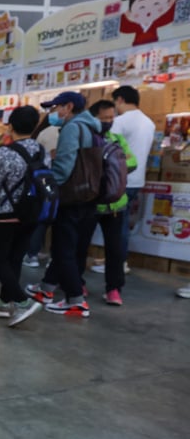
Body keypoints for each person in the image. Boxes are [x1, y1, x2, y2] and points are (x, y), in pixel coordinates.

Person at [25, 91, 100, 317]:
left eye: (57, 107)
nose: (53, 113)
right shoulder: (92, 127)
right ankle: (47, 289)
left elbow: (64, 167)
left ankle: (76, 300)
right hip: (88, 195)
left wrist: (49, 189)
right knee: (67, 247)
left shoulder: (72, 128)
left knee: (63, 248)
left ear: (68, 107)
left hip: (71, 196)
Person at [0, 105, 44, 327]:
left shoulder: (6, 153)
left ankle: (22, 301)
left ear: (11, 125)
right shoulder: (40, 150)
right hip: (32, 213)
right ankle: (5, 302)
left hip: (7, 213)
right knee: (14, 258)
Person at [88, 99, 137, 306]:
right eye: (104, 118)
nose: (108, 121)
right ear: (93, 119)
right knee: (80, 247)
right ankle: (76, 284)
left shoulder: (117, 139)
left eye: (111, 117)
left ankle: (114, 289)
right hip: (89, 203)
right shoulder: (86, 139)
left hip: (115, 203)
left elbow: (132, 161)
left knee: (115, 250)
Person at [110, 84, 157, 272]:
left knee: (115, 224)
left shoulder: (120, 121)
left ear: (120, 99)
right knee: (123, 222)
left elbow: (110, 149)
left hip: (119, 180)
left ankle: (117, 263)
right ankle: (119, 261)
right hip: (137, 180)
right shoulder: (149, 122)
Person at [23, 114, 59, 268]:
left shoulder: (44, 133)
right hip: (65, 183)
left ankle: (32, 254)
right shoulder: (72, 131)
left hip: (43, 182)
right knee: (59, 222)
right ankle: (54, 257)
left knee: (41, 218)